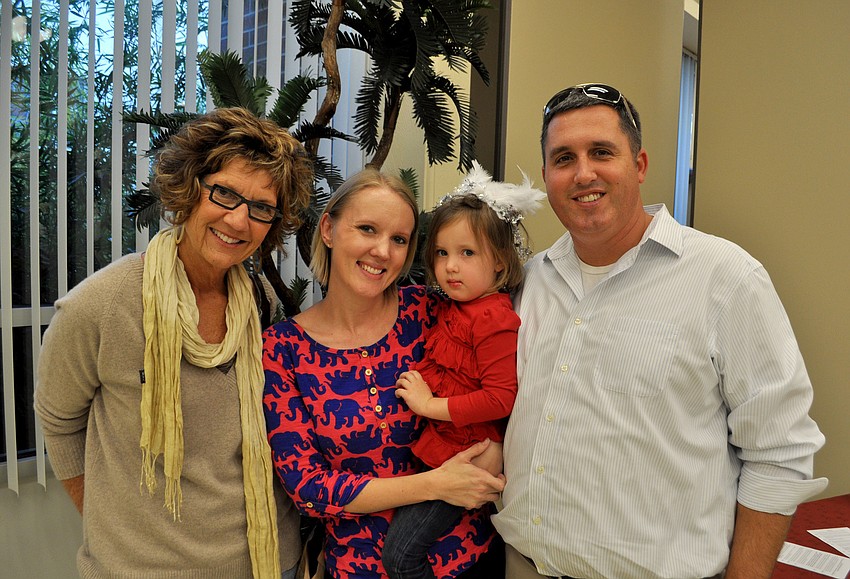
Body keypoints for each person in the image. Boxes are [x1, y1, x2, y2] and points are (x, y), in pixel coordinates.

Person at [492, 83, 828, 579]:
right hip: (521, 565)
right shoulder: (528, 282)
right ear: (546, 176)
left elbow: (779, 452)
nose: (584, 173)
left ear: (640, 165)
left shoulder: (725, 277)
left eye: (602, 152)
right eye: (564, 158)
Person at [34, 107, 313, 579]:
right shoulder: (102, 306)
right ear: (190, 187)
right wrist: (121, 530)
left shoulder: (262, 304)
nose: (239, 221)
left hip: (268, 562)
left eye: (261, 208)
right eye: (224, 193)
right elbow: (59, 424)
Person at [262, 169, 506, 579]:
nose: (382, 251)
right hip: (361, 568)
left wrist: (498, 446)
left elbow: (502, 383)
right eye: (367, 229)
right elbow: (308, 487)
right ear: (328, 229)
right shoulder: (284, 348)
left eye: (399, 239)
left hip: (472, 558)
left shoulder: (431, 312)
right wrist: (436, 485)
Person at [382, 162, 545, 579]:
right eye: (442, 253)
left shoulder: (492, 318)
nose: (450, 266)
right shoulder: (454, 307)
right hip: (444, 452)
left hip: (466, 455)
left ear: (500, 261)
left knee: (401, 558)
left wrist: (429, 405)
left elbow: (499, 398)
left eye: (466, 253)